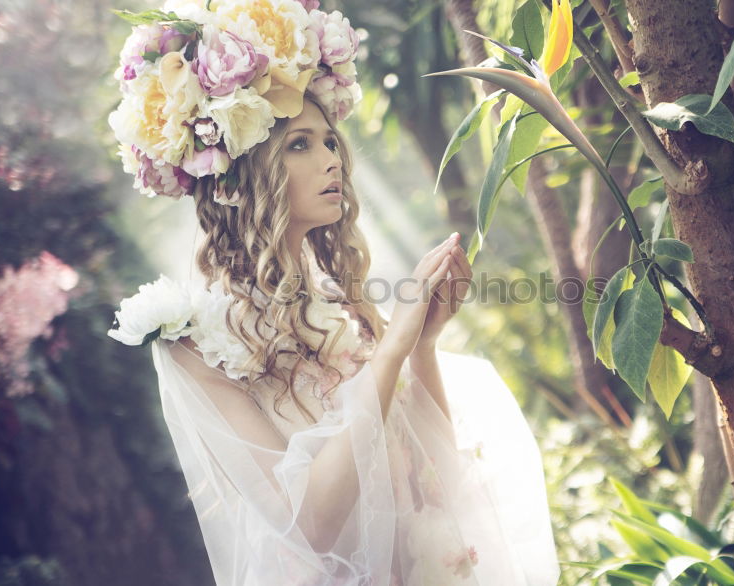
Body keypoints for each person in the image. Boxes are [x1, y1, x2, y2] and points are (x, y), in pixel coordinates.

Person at [107, 2, 559, 584]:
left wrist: (423, 347)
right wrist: (393, 346)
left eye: (328, 141)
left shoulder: (336, 298)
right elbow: (309, 528)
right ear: (242, 174)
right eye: (300, 144)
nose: (332, 160)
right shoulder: (195, 342)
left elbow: (431, 471)